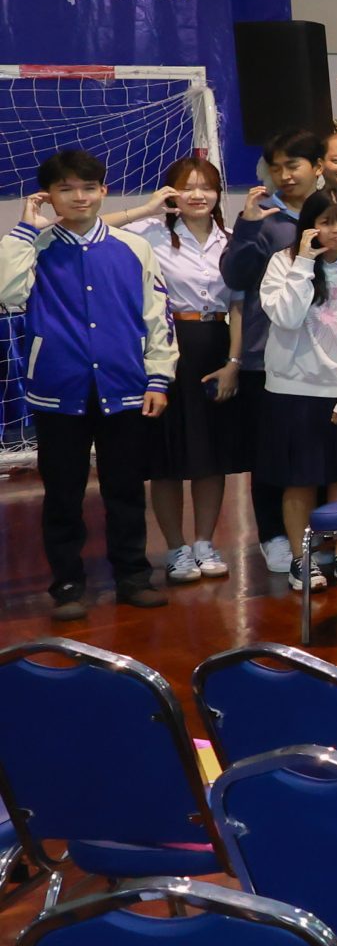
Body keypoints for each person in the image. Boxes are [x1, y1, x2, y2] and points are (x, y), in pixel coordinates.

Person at [3, 149, 176, 618]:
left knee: (125, 490)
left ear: (103, 191)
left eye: (87, 187)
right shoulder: (34, 247)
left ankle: (133, 577)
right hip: (58, 389)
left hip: (126, 387)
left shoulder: (133, 247)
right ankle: (67, 585)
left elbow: (157, 316)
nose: (78, 197)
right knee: (63, 494)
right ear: (47, 196)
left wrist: (159, 378)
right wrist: (24, 229)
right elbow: (6, 292)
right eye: (65, 189)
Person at [260, 188, 337, 595]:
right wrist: (303, 262)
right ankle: (302, 559)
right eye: (326, 221)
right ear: (309, 226)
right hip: (291, 389)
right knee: (299, 480)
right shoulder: (283, 262)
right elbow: (286, 317)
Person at [223, 128, 328, 578]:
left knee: (318, 454)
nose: (285, 175)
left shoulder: (333, 214)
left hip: (324, 359)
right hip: (266, 357)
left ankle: (320, 536)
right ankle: (274, 537)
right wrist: (247, 226)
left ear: (317, 167)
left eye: (294, 165)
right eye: (277, 167)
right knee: (270, 455)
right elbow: (234, 276)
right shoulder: (263, 218)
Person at [132, 154, 241, 585]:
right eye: (187, 186)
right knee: (166, 456)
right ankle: (176, 548)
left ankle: (204, 542)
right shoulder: (150, 234)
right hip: (166, 347)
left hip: (215, 344)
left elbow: (239, 303)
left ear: (217, 194)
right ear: (171, 193)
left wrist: (233, 363)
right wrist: (146, 208)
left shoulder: (231, 240)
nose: (197, 194)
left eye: (206, 187)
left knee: (211, 455)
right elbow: (94, 226)